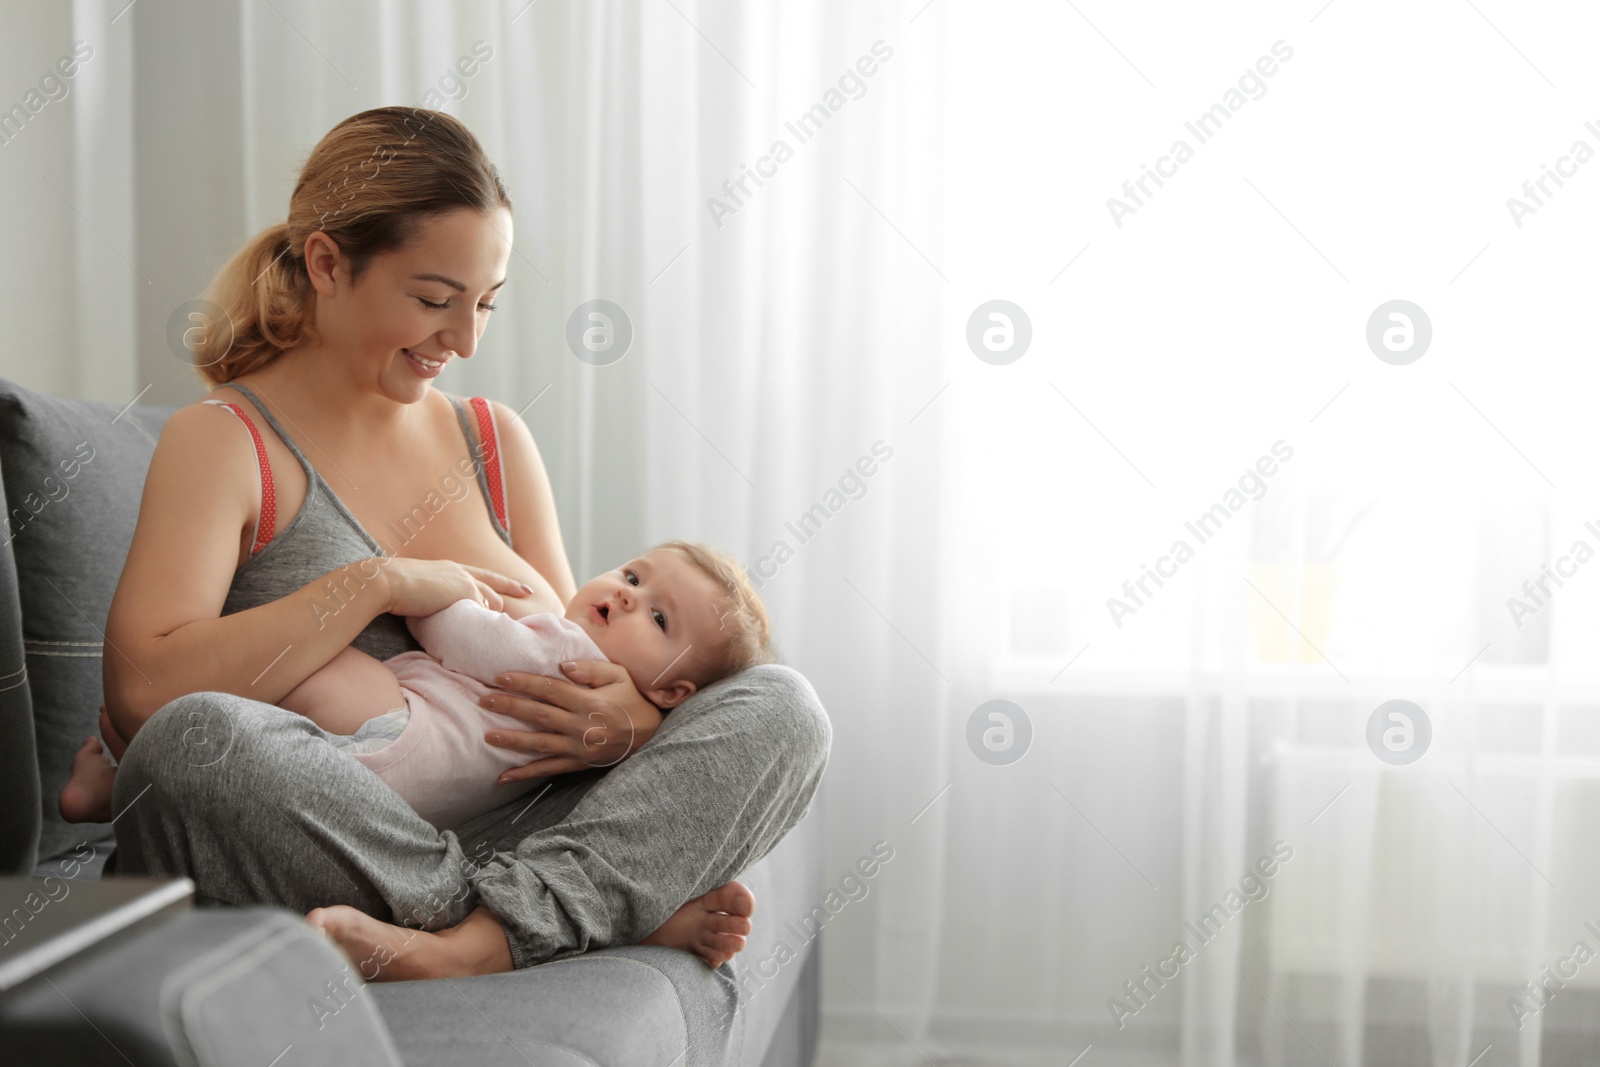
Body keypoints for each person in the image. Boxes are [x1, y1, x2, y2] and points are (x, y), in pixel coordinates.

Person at [85, 105, 830, 978]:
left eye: (484, 304)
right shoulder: (224, 440)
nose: (466, 339)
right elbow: (143, 694)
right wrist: (374, 583)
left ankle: (476, 939)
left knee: (785, 707)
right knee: (190, 747)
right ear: (327, 262)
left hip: (529, 819)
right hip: (340, 834)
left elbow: (570, 652)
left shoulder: (494, 441)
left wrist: (627, 722)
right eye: (435, 300)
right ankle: (558, 916)